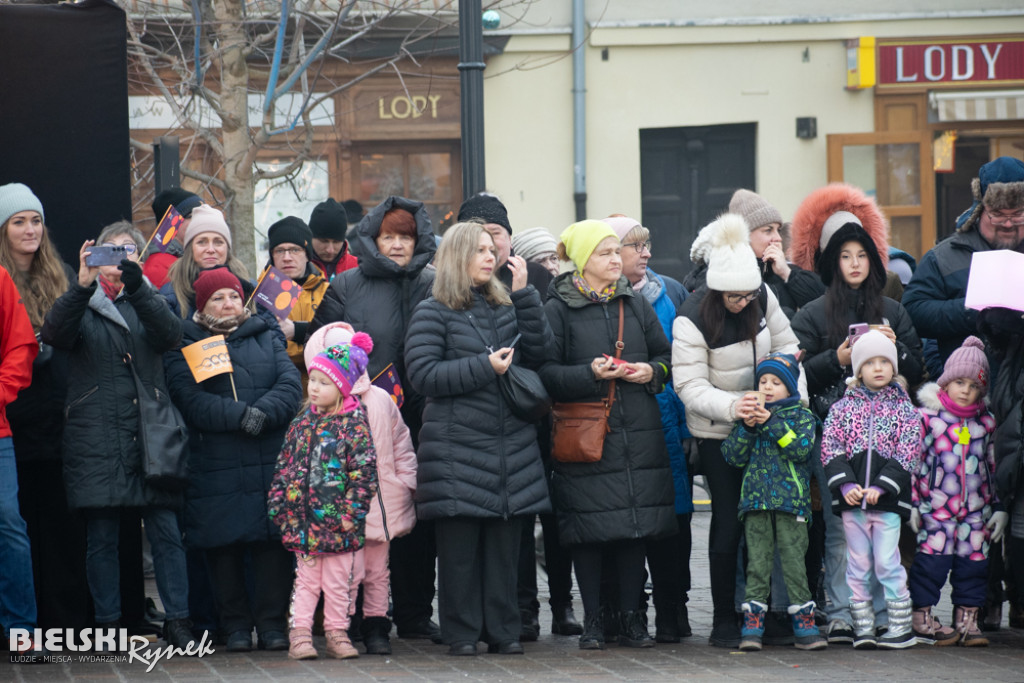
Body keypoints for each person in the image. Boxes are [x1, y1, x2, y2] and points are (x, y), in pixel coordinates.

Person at [41, 221, 197, 651]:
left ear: (138, 256)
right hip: (97, 436)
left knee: (166, 531)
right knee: (103, 537)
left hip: (152, 433)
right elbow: (54, 335)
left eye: (127, 250)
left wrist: (140, 286)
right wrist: (81, 285)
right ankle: (107, 626)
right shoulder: (81, 300)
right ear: (94, 256)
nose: (118, 259)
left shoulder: (150, 297)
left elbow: (170, 336)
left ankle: (179, 621)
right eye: (110, 251)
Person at [404, 221, 552, 656]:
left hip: (510, 449)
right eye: (480, 250)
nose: (491, 257)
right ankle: (463, 633)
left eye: (493, 249)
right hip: (456, 451)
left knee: (505, 551)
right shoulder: (432, 310)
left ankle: (504, 631)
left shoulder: (507, 305)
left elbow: (541, 355)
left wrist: (525, 295)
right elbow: (424, 375)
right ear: (457, 257)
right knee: (461, 553)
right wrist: (485, 367)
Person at [789, 184, 925, 644]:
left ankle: (887, 613)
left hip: (887, 441)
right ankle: (844, 612)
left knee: (886, 527)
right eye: (844, 255)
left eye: (861, 255)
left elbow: (919, 370)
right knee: (839, 527)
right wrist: (840, 360)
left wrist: (896, 348)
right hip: (835, 434)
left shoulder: (891, 309)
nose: (853, 263)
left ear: (872, 260)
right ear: (832, 263)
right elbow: (796, 370)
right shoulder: (811, 313)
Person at [310, 195, 441, 643]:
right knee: (359, 520)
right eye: (390, 237)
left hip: (423, 414)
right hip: (360, 416)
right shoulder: (347, 286)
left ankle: (415, 611)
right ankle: (355, 616)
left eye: (407, 237)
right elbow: (323, 350)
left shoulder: (435, 282)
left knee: (414, 515)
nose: (399, 245)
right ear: (373, 238)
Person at [539, 219, 675, 651]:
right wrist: (588, 374)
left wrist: (652, 372)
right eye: (605, 253)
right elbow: (545, 373)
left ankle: (633, 619)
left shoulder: (633, 303)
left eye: (618, 252)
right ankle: (594, 620)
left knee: (636, 529)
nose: (616, 260)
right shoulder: (557, 307)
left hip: (638, 431)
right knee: (589, 533)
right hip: (587, 435)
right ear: (582, 260)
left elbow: (665, 355)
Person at [672, 213, 803, 648]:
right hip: (718, 431)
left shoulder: (762, 296)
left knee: (766, 521)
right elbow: (688, 385)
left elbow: (787, 346)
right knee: (728, 522)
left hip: (767, 424)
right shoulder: (691, 317)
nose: (743, 303)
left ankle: (766, 612)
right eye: (734, 297)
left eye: (749, 295)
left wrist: (786, 398)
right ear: (716, 289)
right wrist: (734, 406)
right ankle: (724, 618)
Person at [164, 268, 302, 652]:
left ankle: (273, 624)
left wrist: (263, 412)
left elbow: (289, 385)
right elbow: (187, 396)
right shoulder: (186, 340)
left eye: (233, 296)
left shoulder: (265, 332)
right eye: (218, 298)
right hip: (216, 460)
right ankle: (237, 626)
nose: (229, 303)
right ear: (202, 306)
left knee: (270, 545)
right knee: (223, 546)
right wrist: (239, 416)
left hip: (268, 456)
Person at [0, 182, 90, 634]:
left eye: (36, 220)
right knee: (18, 525)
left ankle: (63, 621)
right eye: (19, 222)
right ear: (3, 230)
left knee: (60, 523)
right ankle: (19, 624)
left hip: (59, 415)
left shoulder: (63, 275)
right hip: (11, 415)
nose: (30, 229)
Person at [604, 214, 693, 641]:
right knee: (627, 523)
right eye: (635, 246)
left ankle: (674, 609)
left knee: (673, 521)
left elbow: (681, 362)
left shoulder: (670, 292)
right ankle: (630, 610)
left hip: (665, 421)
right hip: (617, 426)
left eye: (647, 245)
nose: (646, 254)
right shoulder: (596, 298)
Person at [304, 322, 418, 655]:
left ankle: (377, 626)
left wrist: (405, 480)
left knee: (377, 570)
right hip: (341, 511)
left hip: (382, 503)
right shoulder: (321, 409)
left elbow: (401, 443)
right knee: (345, 573)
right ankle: (344, 625)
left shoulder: (380, 399)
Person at [268, 335, 379, 660]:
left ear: (343, 387)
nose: (313, 388)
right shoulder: (301, 424)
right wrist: (278, 505)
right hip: (303, 526)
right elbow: (284, 466)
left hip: (339, 526)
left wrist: (351, 514)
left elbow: (364, 475)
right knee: (305, 582)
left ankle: (336, 632)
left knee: (339, 584)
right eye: (312, 380)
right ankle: (300, 634)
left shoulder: (354, 426)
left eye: (323, 382)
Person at [821, 330, 923, 650]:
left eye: (885, 361)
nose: (878, 368)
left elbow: (908, 452)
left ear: (894, 367)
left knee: (887, 561)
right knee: (858, 564)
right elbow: (831, 447)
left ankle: (899, 626)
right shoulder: (842, 409)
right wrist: (847, 485)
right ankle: (862, 626)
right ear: (858, 370)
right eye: (870, 362)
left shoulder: (905, 410)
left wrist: (882, 487)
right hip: (854, 505)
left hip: (887, 503)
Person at [722, 353, 825, 651]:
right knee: (757, 564)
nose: (767, 387)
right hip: (755, 504)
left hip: (792, 504)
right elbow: (731, 455)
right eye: (763, 381)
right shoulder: (748, 418)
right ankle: (752, 625)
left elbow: (801, 450)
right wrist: (749, 427)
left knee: (794, 563)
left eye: (776, 382)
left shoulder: (802, 416)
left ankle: (804, 625)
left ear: (790, 387)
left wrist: (772, 422)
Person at [910, 337, 1006, 647]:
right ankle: (922, 615)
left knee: (974, 567)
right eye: (959, 382)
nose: (965, 390)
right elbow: (914, 462)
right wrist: (913, 504)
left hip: (976, 513)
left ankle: (968, 618)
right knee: (930, 566)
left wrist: (1000, 506)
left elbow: (994, 468)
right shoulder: (928, 420)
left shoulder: (986, 425)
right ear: (946, 382)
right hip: (935, 510)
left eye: (974, 386)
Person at [903, 157, 1024, 367]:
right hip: (969, 391)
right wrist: (974, 311)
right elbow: (913, 312)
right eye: (997, 215)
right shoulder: (944, 256)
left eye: (1017, 215)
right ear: (979, 211)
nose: (1007, 224)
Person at [0, 197, 43, 658]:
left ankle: (20, 631)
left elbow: (21, 347)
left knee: (9, 525)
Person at [684, 189, 824, 318]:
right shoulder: (716, 274)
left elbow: (822, 307)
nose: (778, 238)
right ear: (745, 234)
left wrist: (787, 273)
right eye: (768, 230)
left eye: (778, 229)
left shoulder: (778, 269)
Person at [265, 216, 328, 378]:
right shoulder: (261, 293)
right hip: (277, 385)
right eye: (280, 251)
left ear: (307, 255)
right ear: (272, 256)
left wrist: (298, 331)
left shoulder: (328, 292)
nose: (287, 257)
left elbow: (336, 339)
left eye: (295, 250)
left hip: (323, 387)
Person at [457, 193, 553, 297]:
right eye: (477, 234)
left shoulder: (536, 275)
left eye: (495, 233)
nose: (487, 241)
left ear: (509, 239)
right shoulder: (450, 281)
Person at [144, 188, 203, 288]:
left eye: (203, 214)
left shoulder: (200, 257)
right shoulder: (158, 267)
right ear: (172, 223)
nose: (202, 220)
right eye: (192, 215)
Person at [308, 198, 358, 280]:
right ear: (311, 237)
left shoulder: (357, 268)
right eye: (324, 241)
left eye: (336, 242)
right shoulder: (297, 268)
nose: (330, 250)